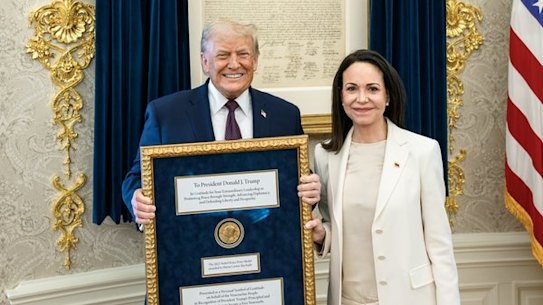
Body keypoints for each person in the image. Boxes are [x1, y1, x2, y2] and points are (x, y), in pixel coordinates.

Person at [122, 20, 320, 225]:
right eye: (223, 55)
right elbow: (136, 178)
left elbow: (296, 181)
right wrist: (137, 200)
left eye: (243, 54)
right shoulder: (166, 115)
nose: (234, 64)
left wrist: (311, 189)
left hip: (266, 244)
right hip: (192, 244)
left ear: (255, 61)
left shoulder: (284, 115)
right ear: (205, 62)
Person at [304, 49, 460, 305]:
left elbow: (439, 243)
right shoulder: (325, 155)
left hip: (409, 297)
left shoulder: (422, 151)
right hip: (347, 299)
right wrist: (322, 235)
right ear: (341, 96)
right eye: (352, 89)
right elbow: (336, 225)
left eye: (373, 89)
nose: (361, 98)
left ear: (387, 96)